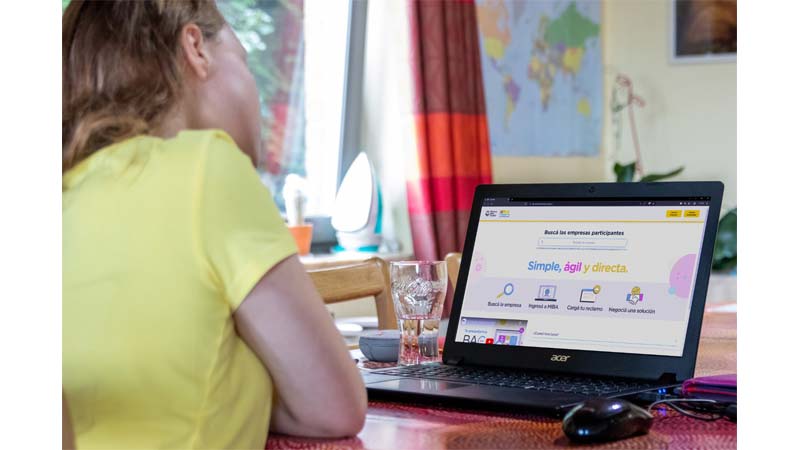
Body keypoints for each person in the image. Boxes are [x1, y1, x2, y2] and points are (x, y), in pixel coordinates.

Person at [62, 1, 366, 448]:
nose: (254, 90)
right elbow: (335, 407)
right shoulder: (206, 164)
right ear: (196, 49)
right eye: (243, 61)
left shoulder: (67, 189)